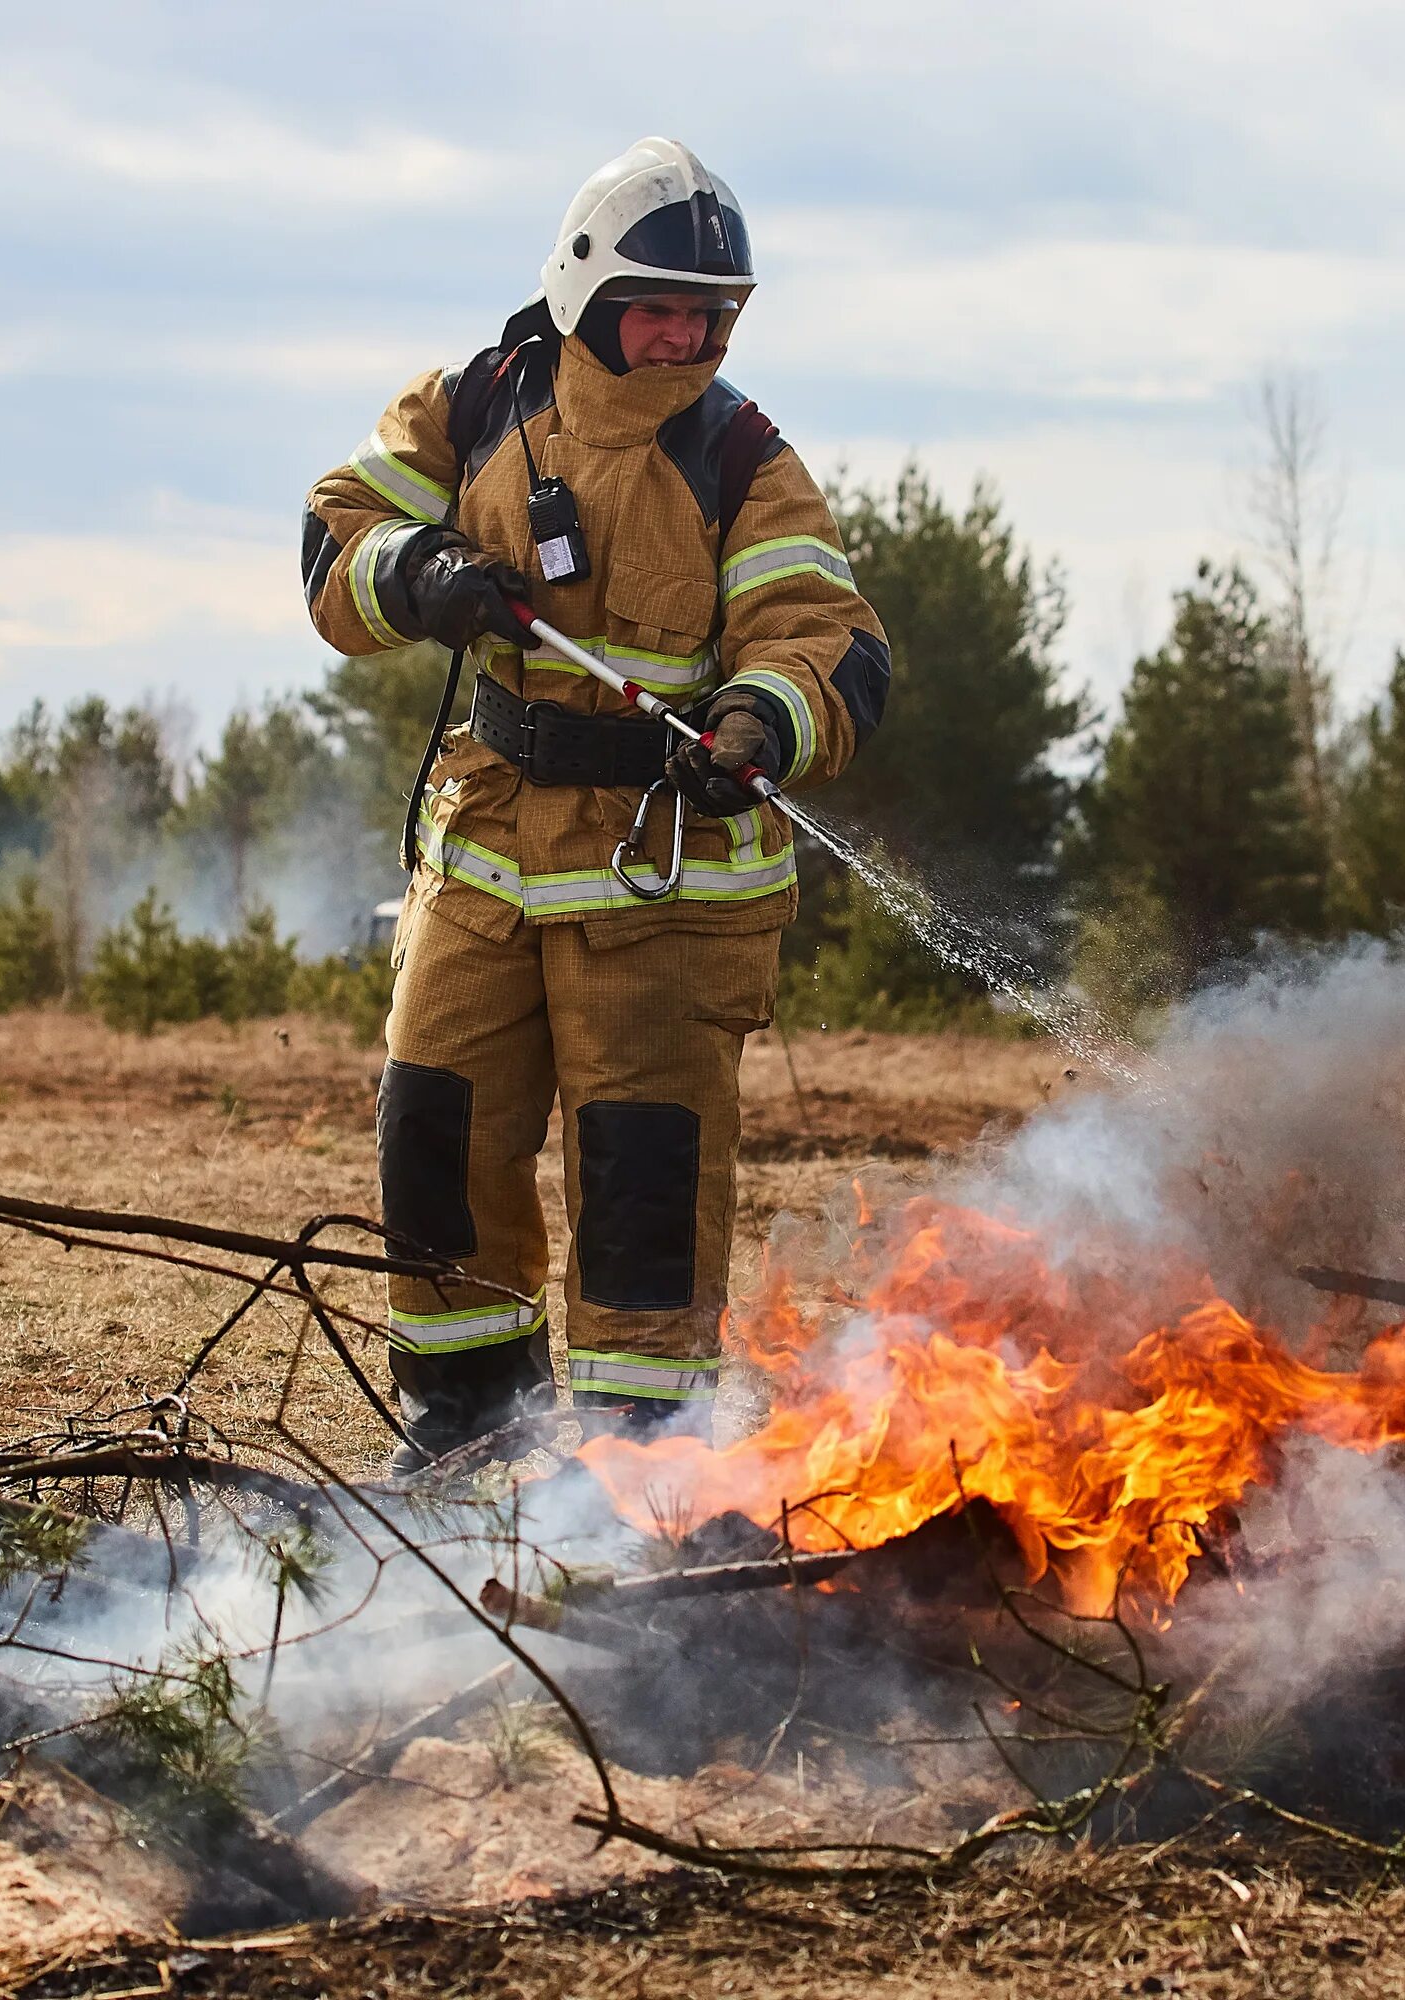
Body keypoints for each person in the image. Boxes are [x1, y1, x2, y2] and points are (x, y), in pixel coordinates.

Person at [299, 137, 890, 1472]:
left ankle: (635, 1468)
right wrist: (426, 576)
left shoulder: (744, 458)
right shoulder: (475, 406)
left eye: (710, 313)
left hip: (666, 874)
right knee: (435, 1130)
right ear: (585, 289)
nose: (687, 335)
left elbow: (832, 641)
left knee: (642, 1178)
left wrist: (763, 717)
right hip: (490, 838)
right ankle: (468, 1429)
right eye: (661, 306)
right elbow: (333, 544)